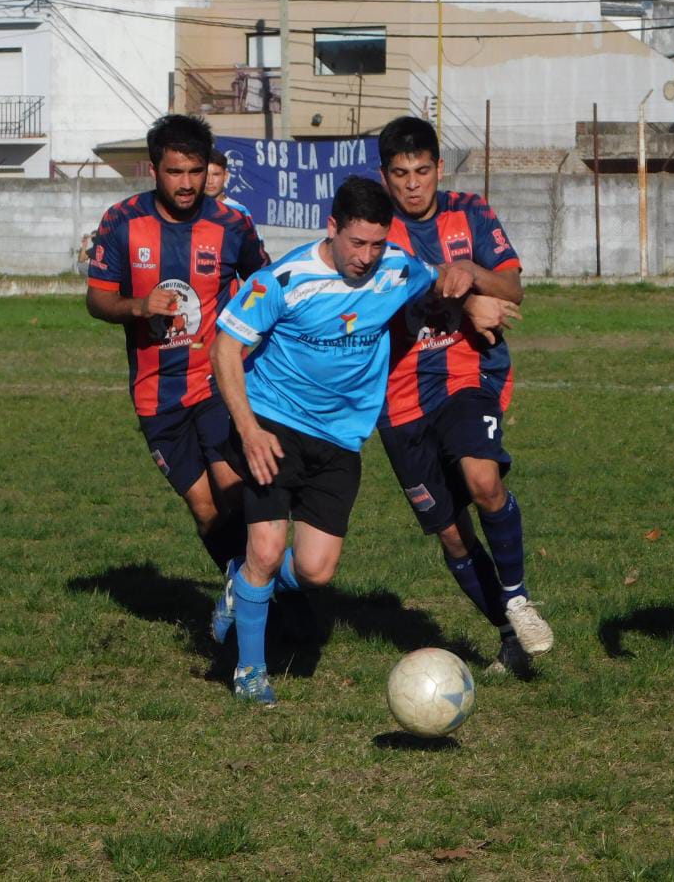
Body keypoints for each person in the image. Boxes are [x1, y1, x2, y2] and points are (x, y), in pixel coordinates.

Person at [208, 175, 519, 705]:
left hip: (340, 438)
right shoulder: (283, 280)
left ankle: (246, 585)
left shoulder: (396, 267)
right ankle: (251, 672)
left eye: (377, 243)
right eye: (357, 243)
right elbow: (224, 349)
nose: (366, 257)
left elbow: (435, 283)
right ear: (332, 227)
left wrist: (470, 305)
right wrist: (249, 428)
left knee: (315, 570)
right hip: (273, 426)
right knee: (267, 548)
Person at [374, 115, 552, 678]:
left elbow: (513, 288)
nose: (412, 184)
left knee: (483, 480)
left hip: (465, 374)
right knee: (451, 533)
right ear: (384, 176)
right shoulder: (375, 229)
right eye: (400, 173)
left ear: (439, 168)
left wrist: (472, 273)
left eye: (422, 170)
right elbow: (377, 292)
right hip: (397, 396)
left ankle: (518, 599)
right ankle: (509, 636)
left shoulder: (470, 212)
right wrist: (461, 300)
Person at [86, 114, 270, 576]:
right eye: (175, 172)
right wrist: (137, 306)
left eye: (195, 171)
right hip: (155, 392)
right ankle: (243, 588)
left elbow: (266, 287)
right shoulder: (122, 221)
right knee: (206, 511)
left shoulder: (231, 225)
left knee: (233, 491)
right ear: (153, 169)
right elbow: (97, 300)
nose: (187, 184)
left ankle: (265, 596)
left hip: (216, 382)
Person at [205, 148, 251, 217]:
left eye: (216, 174)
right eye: (205, 175)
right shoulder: (190, 210)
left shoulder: (240, 211)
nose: (210, 181)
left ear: (225, 175)